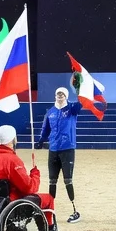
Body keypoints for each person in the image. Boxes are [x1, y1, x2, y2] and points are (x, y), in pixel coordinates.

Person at [0, 124, 58, 231]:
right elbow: (29, 188)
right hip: (12, 204)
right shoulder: (12, 160)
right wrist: (35, 175)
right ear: (13, 140)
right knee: (48, 199)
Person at [35, 87, 83, 223]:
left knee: (68, 180)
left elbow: (80, 105)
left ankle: (75, 210)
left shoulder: (72, 109)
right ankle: (51, 213)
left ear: (66, 96)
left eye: (62, 94)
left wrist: (79, 90)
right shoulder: (51, 112)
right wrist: (40, 140)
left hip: (67, 149)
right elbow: (45, 129)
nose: (60, 95)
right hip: (53, 149)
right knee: (52, 181)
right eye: (58, 93)